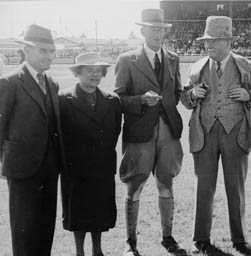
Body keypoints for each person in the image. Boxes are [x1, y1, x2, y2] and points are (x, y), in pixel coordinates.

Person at [181, 16, 251, 255]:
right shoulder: (196, 67)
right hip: (204, 132)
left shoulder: (247, 66)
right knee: (203, 186)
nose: (209, 45)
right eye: (207, 40)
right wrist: (193, 95)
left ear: (228, 41)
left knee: (234, 186)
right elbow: (185, 100)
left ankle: (239, 239)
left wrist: (248, 95)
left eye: (215, 40)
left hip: (235, 131)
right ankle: (201, 238)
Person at [114, 8, 185, 256]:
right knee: (135, 186)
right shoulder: (126, 60)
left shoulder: (173, 58)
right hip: (139, 132)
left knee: (166, 183)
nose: (158, 33)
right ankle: (130, 241)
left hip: (168, 131)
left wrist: (166, 105)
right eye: (153, 28)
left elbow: (176, 93)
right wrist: (141, 100)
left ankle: (168, 237)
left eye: (162, 29)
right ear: (142, 30)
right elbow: (118, 98)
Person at [0, 24, 65, 256]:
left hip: (49, 169)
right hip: (22, 169)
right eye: (43, 50)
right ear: (26, 50)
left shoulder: (52, 83)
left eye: (52, 51)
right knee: (24, 230)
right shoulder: (9, 83)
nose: (50, 55)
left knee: (46, 227)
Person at [59, 52, 121, 256]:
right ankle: (79, 252)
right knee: (78, 211)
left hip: (102, 167)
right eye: (89, 71)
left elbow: (114, 132)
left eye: (98, 71)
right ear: (78, 73)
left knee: (99, 210)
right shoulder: (64, 100)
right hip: (76, 169)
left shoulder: (112, 100)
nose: (94, 75)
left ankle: (97, 250)